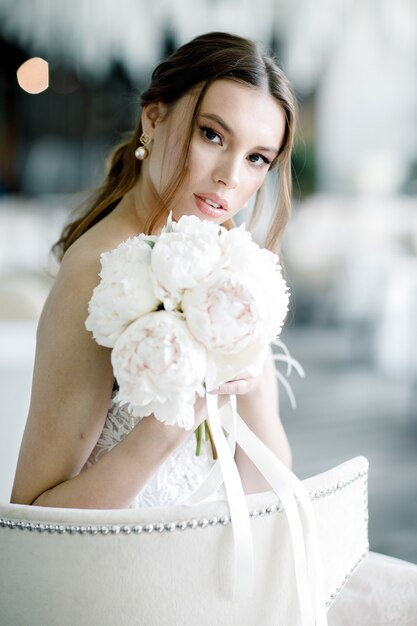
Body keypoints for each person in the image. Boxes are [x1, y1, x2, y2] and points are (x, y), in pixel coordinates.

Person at [10, 31, 417, 624]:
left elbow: (267, 480)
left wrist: (247, 378)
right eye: (212, 135)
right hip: (131, 585)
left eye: (257, 157)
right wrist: (164, 432)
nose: (231, 177)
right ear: (153, 119)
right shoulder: (97, 273)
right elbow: (33, 525)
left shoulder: (224, 256)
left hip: (224, 555)